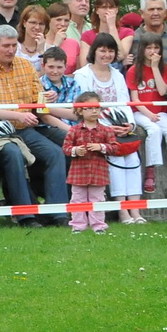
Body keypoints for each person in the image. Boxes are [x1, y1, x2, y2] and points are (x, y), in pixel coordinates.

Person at [0, 24, 69, 224]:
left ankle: (58, 213)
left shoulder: (25, 66)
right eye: (6, 46)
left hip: (25, 129)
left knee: (55, 153)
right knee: (13, 153)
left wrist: (47, 98)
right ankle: (26, 215)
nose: (11, 50)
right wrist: (18, 115)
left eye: (14, 45)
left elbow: (38, 103)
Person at [72, 33, 144, 223]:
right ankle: (122, 211)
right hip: (94, 128)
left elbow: (125, 103)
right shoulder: (82, 75)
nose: (106, 55)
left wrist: (129, 125)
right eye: (102, 50)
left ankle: (136, 210)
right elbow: (84, 108)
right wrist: (107, 129)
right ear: (94, 51)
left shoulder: (118, 75)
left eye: (111, 51)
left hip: (119, 125)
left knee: (133, 159)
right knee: (116, 158)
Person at [126, 33, 167, 191]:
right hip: (140, 111)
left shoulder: (164, 68)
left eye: (156, 47)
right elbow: (135, 99)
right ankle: (150, 174)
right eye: (149, 48)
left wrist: (154, 67)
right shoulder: (133, 70)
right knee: (154, 131)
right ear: (142, 49)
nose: (152, 51)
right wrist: (149, 114)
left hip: (160, 111)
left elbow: (162, 91)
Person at [62, 92, 120, 233]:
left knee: (98, 199)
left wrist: (101, 147)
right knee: (77, 199)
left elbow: (115, 147)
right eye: (90, 108)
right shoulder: (74, 130)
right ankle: (78, 226)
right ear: (80, 111)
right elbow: (66, 148)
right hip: (78, 172)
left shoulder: (106, 130)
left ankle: (98, 226)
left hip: (98, 172)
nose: (94, 111)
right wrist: (76, 150)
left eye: (97, 108)